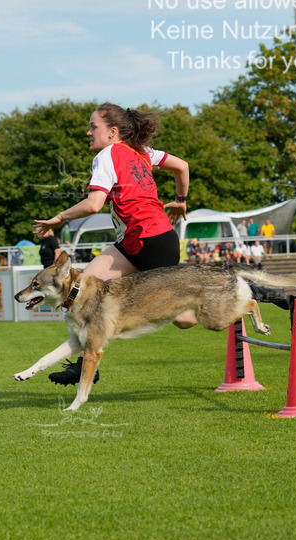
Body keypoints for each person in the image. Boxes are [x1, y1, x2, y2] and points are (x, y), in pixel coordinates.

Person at [31, 102, 193, 386]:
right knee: (82, 287)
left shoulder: (107, 155)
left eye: (94, 127)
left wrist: (58, 218)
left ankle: (240, 296)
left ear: (112, 132)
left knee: (185, 319)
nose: (88, 132)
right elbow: (182, 166)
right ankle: (84, 365)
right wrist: (181, 199)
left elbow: (93, 205)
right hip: (140, 241)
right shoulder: (141, 151)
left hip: (151, 241)